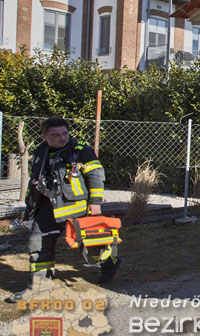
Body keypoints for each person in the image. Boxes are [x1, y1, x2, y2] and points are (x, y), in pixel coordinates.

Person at [7, 118, 118, 303]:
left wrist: (96, 202)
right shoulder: (41, 151)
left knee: (92, 243)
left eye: (64, 133)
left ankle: (109, 263)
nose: (62, 138)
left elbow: (96, 174)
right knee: (38, 245)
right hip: (46, 207)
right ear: (45, 136)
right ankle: (39, 287)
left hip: (75, 208)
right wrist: (30, 204)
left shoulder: (81, 150)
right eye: (55, 135)